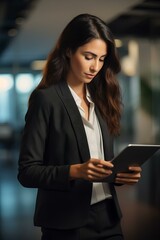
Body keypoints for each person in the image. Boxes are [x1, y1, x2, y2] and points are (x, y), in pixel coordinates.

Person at [17, 13, 142, 240]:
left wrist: (118, 174)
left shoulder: (103, 98)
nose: (95, 67)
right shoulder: (46, 100)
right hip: (66, 224)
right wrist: (76, 171)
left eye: (102, 59)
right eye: (89, 56)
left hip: (109, 219)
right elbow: (27, 172)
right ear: (68, 51)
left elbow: (102, 163)